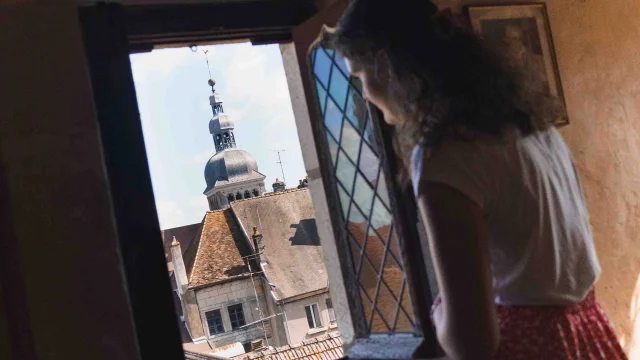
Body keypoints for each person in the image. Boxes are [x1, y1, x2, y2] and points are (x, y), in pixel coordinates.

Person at [324, 0, 628, 359]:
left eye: (359, 75)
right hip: (588, 334)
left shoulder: (446, 151)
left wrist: (440, 317)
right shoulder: (530, 124)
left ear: (385, 63)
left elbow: (473, 343)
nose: (363, 92)